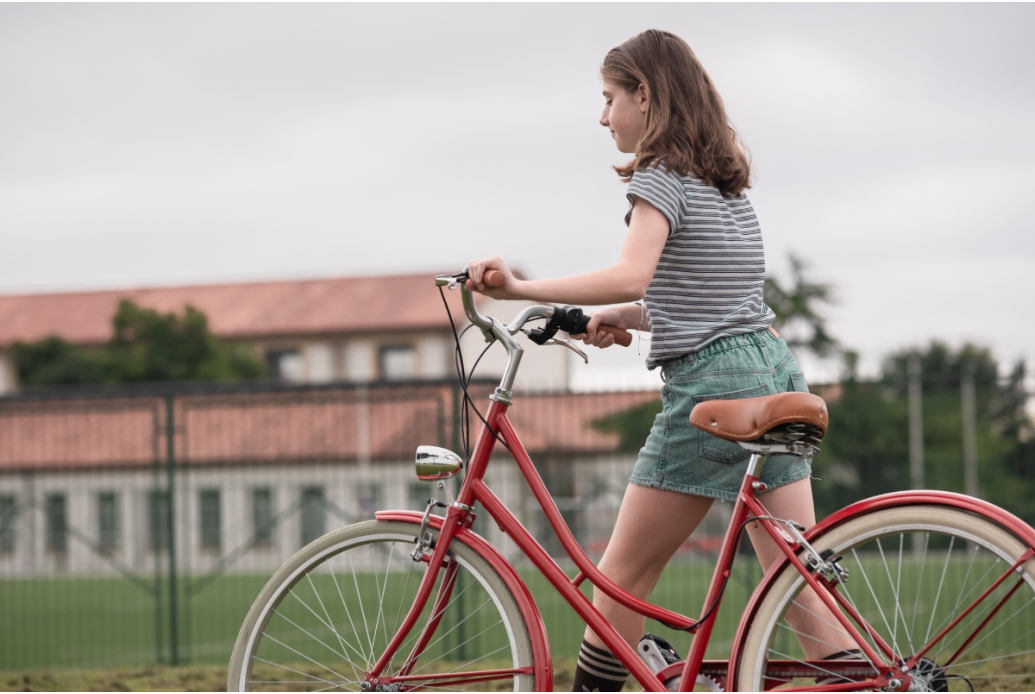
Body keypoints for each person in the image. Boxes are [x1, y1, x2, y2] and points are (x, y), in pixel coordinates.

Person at [467, 29, 857, 692]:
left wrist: (519, 290)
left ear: (644, 96)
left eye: (609, 97)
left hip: (712, 385)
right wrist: (616, 321)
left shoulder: (659, 178)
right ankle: (870, 679)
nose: (602, 116)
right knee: (791, 578)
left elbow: (631, 275)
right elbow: (703, 300)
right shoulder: (724, 188)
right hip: (770, 367)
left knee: (619, 574)